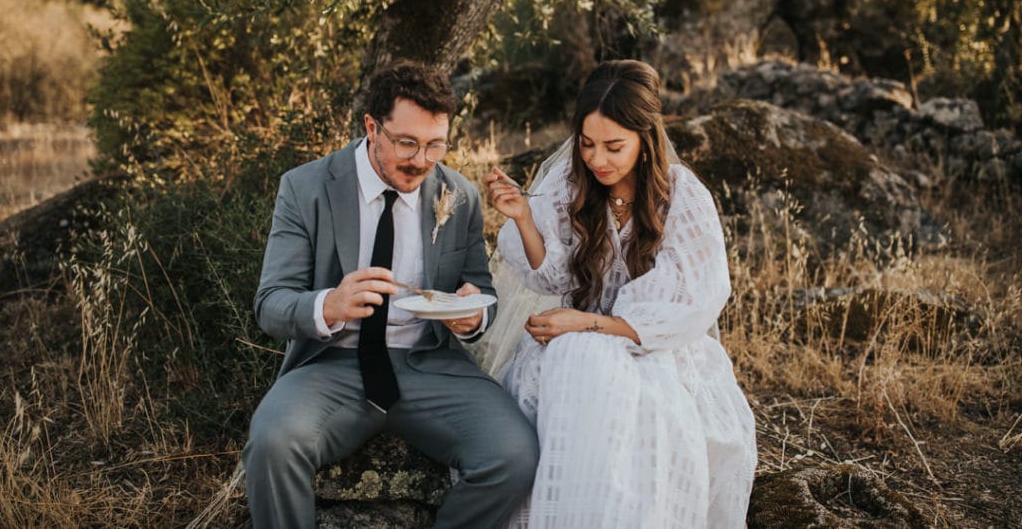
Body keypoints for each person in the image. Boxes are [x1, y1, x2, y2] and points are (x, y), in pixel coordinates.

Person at [243, 60, 539, 529]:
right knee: (273, 442)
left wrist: (471, 316)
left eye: (435, 145)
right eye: (407, 143)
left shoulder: (458, 195)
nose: (422, 160)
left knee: (514, 454)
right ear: (371, 127)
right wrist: (330, 305)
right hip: (332, 364)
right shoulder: (304, 188)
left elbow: (480, 289)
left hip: (429, 364)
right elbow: (271, 303)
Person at [483, 60, 756, 528]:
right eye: (587, 144)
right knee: (570, 366)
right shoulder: (572, 184)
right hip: (571, 339)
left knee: (624, 389)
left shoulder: (682, 195)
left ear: (645, 140)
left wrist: (588, 325)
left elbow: (690, 302)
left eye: (614, 147)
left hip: (657, 346)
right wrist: (523, 218)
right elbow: (550, 279)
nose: (597, 160)